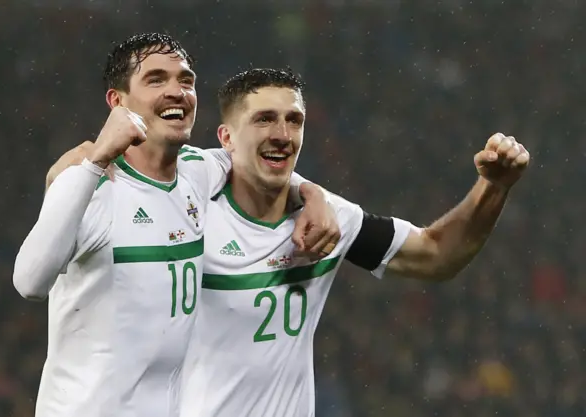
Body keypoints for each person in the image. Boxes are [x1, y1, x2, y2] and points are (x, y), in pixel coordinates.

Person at [12, 34, 338, 417]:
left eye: (186, 80)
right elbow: (29, 282)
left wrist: (316, 196)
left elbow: (258, 165)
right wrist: (95, 160)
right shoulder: (91, 183)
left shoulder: (199, 172)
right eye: (156, 79)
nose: (177, 91)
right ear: (117, 102)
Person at [175, 68, 530, 417]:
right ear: (226, 138)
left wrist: (494, 188)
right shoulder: (189, 211)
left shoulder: (332, 218)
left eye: (294, 120)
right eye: (264, 119)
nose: (283, 134)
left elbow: (437, 255)